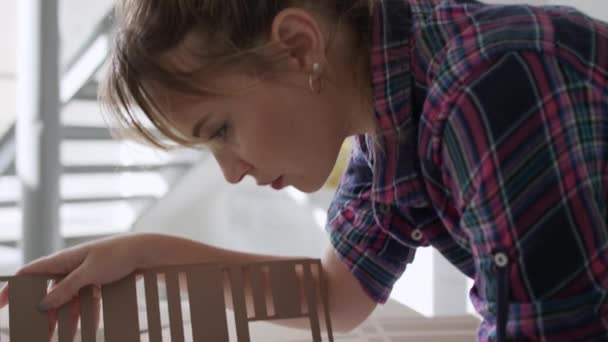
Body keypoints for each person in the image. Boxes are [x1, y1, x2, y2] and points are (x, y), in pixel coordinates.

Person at [2, 0, 608, 340]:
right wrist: (144, 259)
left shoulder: (488, 85)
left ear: (297, 45)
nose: (231, 172)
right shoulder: (387, 133)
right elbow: (333, 295)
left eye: (221, 130)